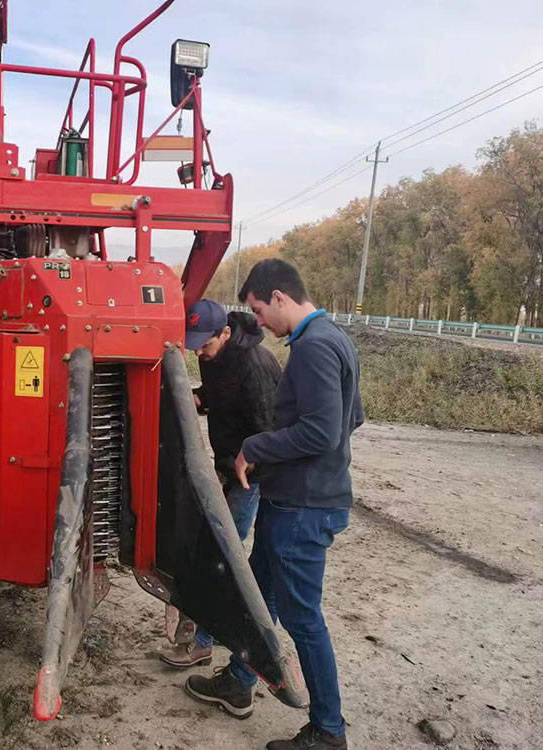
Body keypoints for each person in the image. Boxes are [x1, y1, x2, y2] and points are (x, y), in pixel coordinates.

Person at [184, 260, 363, 750]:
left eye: (261, 310)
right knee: (262, 594)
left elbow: (324, 431)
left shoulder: (313, 349)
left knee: (304, 618)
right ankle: (239, 682)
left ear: (280, 297)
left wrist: (257, 449)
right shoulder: (333, 338)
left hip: (303, 509)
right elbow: (354, 419)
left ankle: (329, 731)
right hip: (296, 499)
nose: (258, 322)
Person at [159, 298, 281, 668]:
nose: (198, 349)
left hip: (251, 477)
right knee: (212, 548)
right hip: (227, 467)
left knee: (222, 555)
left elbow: (268, 431)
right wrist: (188, 399)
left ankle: (204, 642)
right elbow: (215, 397)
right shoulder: (212, 356)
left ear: (226, 333)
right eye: (193, 342)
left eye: (205, 343)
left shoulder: (254, 366)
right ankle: (202, 638)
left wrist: (241, 475)